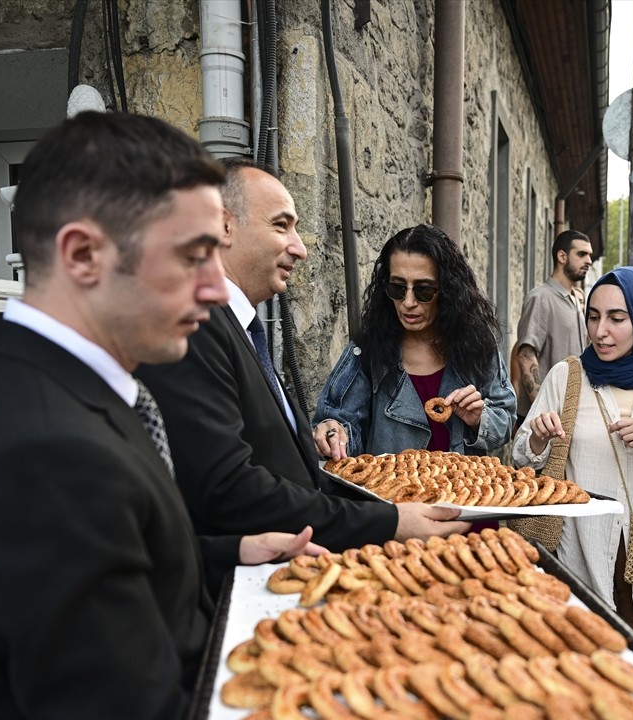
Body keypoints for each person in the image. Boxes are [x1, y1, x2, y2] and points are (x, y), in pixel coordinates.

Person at [0, 113, 324, 720]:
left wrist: (229, 552)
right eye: (192, 256)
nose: (214, 289)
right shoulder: (41, 458)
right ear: (84, 255)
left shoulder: (41, 387)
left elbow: (102, 574)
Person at [138, 162, 467, 591]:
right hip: (240, 590)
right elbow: (227, 488)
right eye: (281, 226)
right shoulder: (196, 327)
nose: (300, 248)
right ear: (223, 227)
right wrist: (388, 520)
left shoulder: (238, 328)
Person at [512, 267, 633, 648]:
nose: (600, 331)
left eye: (617, 319)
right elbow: (523, 455)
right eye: (593, 316)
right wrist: (538, 438)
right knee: (574, 662)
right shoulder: (567, 377)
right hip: (577, 552)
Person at [313, 224, 515, 461]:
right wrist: (334, 434)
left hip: (460, 494)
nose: (408, 302)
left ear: (447, 290)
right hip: (391, 494)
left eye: (424, 291)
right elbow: (341, 425)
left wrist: (480, 419)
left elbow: (506, 420)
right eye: (397, 288)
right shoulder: (368, 351)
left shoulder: (477, 345)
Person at [514, 229, 593, 425]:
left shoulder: (576, 300)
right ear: (562, 256)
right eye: (582, 254)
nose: (589, 260)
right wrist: (542, 409)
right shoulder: (540, 297)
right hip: (546, 418)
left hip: (571, 413)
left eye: (590, 255)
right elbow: (525, 355)